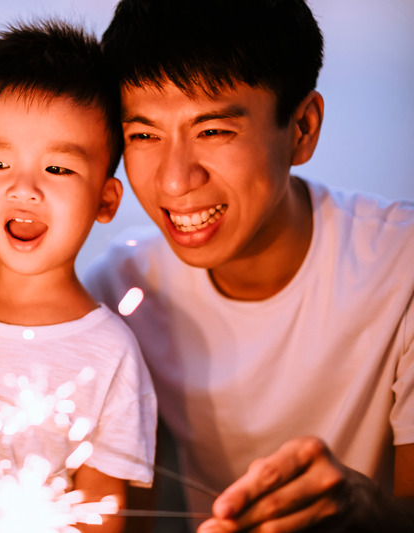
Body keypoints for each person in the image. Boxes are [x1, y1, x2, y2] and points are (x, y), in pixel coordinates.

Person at [83, 0, 414, 531]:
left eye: (213, 131)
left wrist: (364, 511)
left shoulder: (403, 267)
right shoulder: (120, 290)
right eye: (143, 135)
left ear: (302, 128)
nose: (174, 181)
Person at [0, 21, 157, 533]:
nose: (25, 189)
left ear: (106, 199)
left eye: (59, 169)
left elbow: (100, 520)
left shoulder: (110, 356)